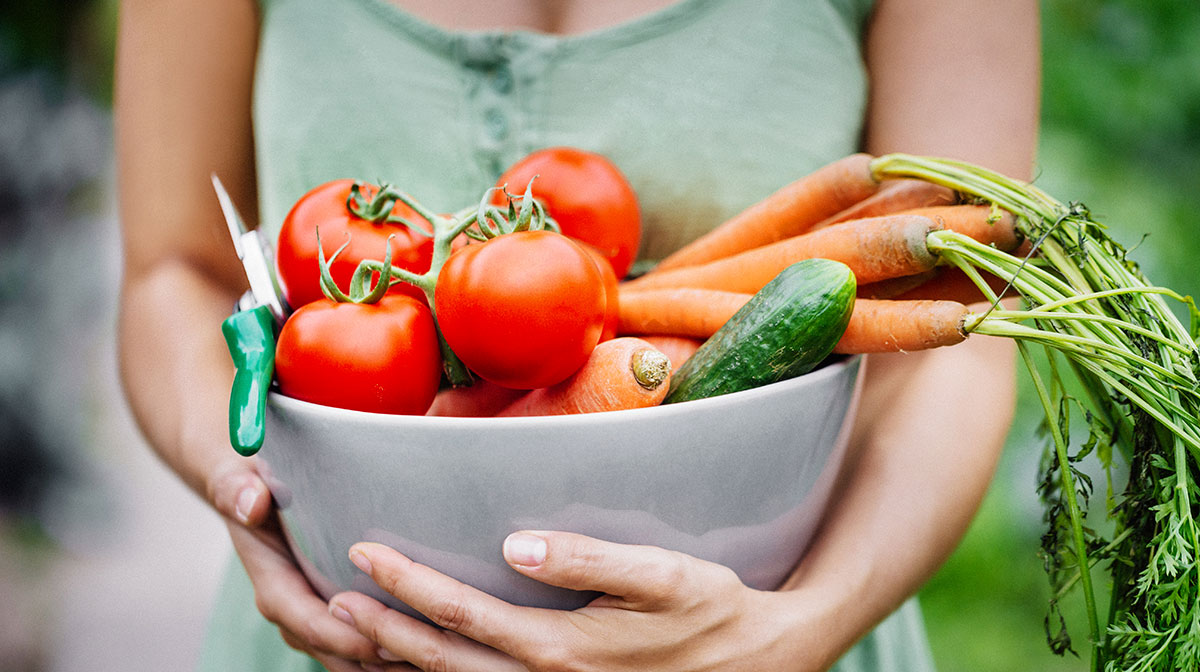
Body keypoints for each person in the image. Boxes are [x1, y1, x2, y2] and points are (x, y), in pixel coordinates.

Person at [114, 0, 1039, 669]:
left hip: (761, 636)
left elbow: (961, 347)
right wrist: (244, 485)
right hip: (352, 626)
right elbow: (172, 270)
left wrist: (804, 628)